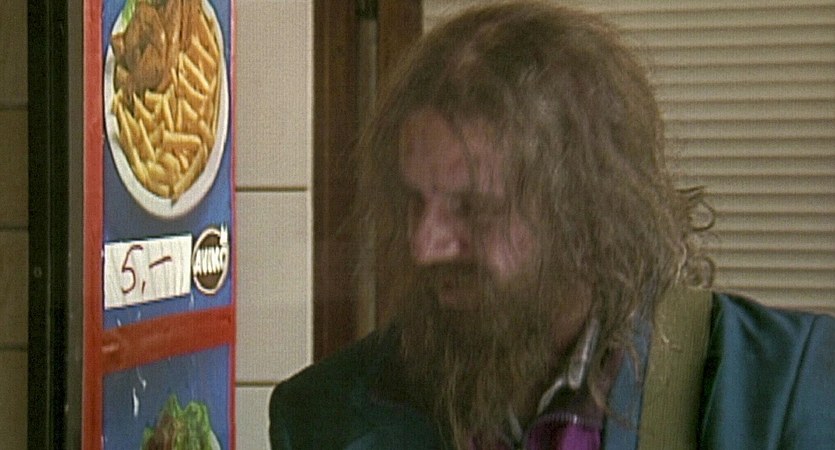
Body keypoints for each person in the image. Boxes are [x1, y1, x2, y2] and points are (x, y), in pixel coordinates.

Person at [269, 2, 835, 449]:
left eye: (472, 208)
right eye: (414, 202)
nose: (423, 245)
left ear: (587, 216)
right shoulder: (321, 416)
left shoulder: (789, 391)